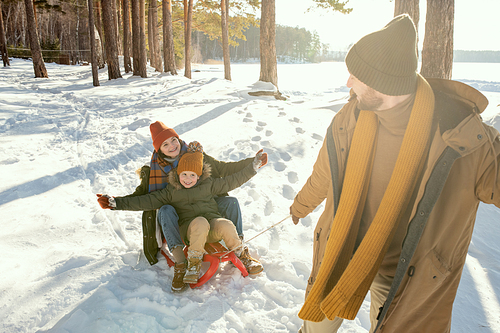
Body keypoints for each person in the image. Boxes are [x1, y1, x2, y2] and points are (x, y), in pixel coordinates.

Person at [289, 14, 500, 333]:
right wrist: (301, 206)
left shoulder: (465, 140)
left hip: (405, 274)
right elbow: (324, 173)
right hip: (343, 250)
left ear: (381, 82)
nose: (348, 83)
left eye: (355, 75)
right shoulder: (351, 118)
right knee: (314, 326)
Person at [119, 121, 267, 292]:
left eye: (173, 140)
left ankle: (238, 247)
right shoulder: (155, 169)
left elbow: (224, 170)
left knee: (230, 202)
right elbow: (144, 198)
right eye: (165, 144)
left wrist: (253, 164)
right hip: (178, 214)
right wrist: (117, 203)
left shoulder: (195, 155)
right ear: (159, 149)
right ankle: (181, 263)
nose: (172, 146)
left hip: (203, 204)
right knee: (166, 209)